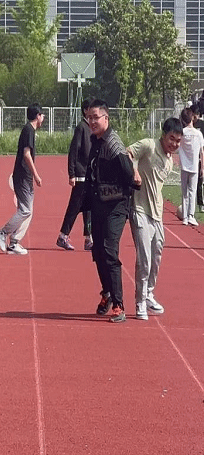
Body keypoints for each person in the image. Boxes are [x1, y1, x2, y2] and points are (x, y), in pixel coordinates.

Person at [84, 99, 135, 323]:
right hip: (98, 205)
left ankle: (119, 304)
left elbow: (128, 173)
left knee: (109, 251)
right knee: (98, 252)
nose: (92, 121)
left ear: (106, 118)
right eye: (89, 117)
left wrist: (121, 194)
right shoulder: (95, 141)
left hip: (116, 206)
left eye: (96, 117)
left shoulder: (114, 144)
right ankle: (106, 292)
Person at [127, 118, 182, 320]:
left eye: (178, 141)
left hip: (157, 214)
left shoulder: (169, 161)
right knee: (144, 259)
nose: (174, 144)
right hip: (140, 209)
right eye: (171, 138)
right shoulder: (149, 145)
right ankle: (140, 301)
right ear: (163, 135)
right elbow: (127, 152)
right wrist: (135, 172)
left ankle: (149, 293)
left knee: (156, 256)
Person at [0, 103, 44, 255]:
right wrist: (36, 175)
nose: (43, 118)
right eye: (42, 115)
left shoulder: (29, 130)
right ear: (38, 116)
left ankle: (14, 243)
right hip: (23, 175)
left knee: (28, 210)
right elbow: (26, 154)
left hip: (25, 176)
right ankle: (4, 232)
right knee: (25, 210)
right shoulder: (29, 130)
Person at [57, 99, 92, 251]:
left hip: (89, 175)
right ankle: (63, 236)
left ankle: (89, 238)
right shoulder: (81, 128)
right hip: (81, 175)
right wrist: (71, 173)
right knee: (75, 207)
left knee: (89, 207)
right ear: (86, 110)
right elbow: (73, 151)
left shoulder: (91, 128)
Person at [178, 108, 204, 226]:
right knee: (192, 191)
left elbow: (177, 146)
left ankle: (185, 217)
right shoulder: (198, 134)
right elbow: (201, 152)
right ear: (192, 118)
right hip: (194, 166)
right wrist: (202, 167)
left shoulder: (182, 133)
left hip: (184, 166)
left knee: (185, 192)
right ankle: (191, 216)